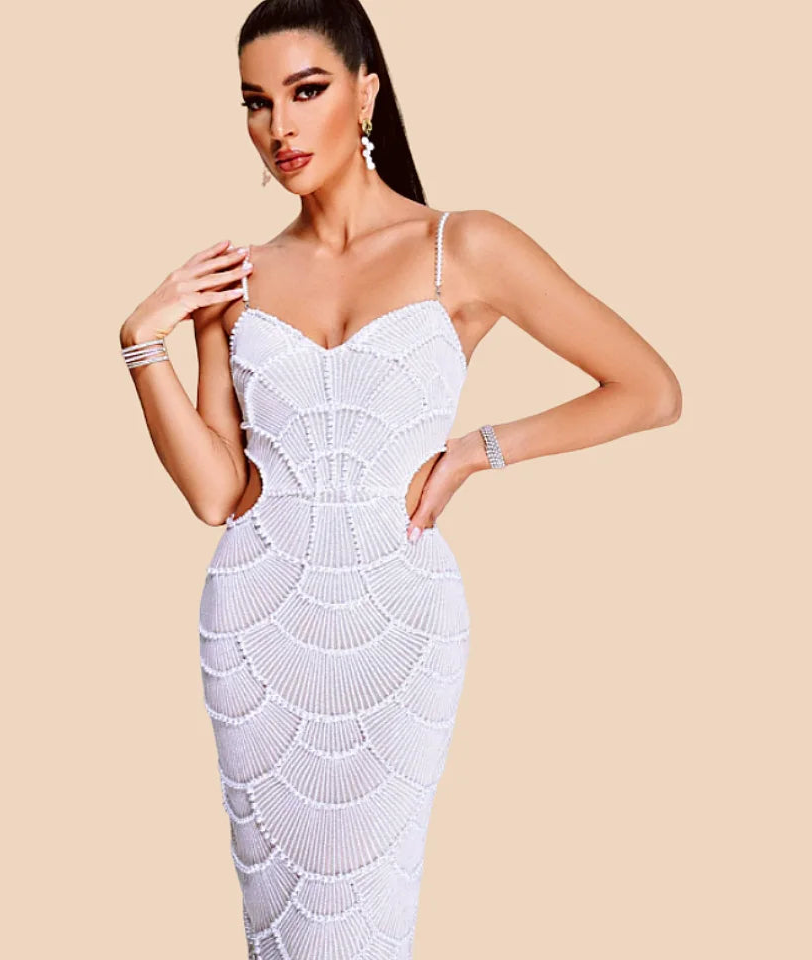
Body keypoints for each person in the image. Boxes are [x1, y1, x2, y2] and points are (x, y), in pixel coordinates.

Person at [119, 2, 682, 956]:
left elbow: (651, 390)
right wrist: (141, 344)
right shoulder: (235, 278)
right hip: (257, 626)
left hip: (400, 623)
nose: (280, 126)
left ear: (366, 92)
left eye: (306, 91)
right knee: (278, 925)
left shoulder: (464, 246)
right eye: (256, 102)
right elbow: (218, 494)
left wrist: (478, 450)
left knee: (368, 917)